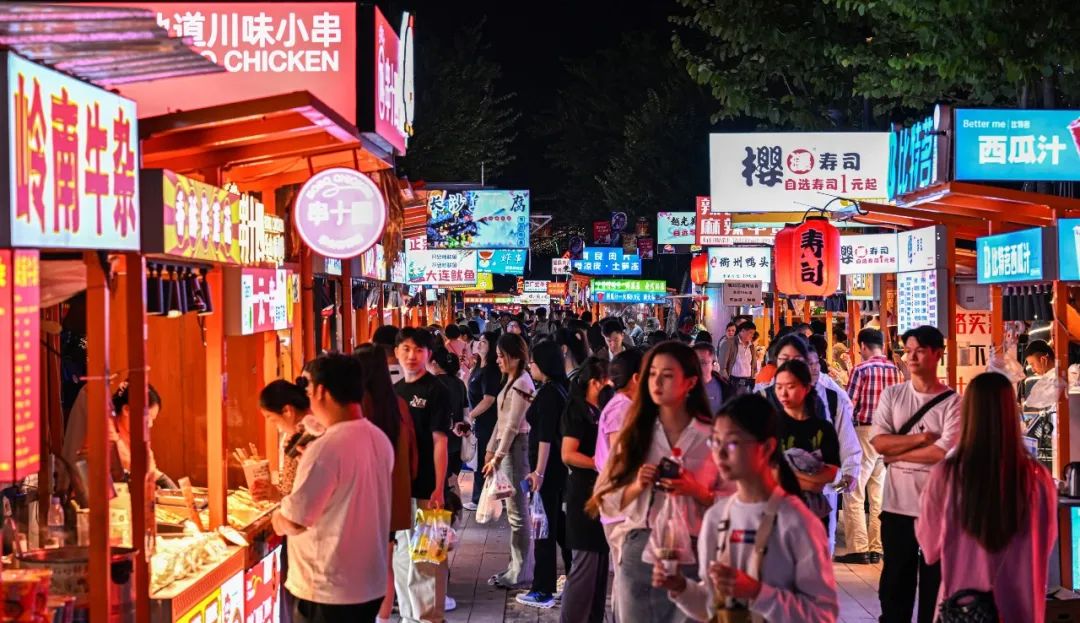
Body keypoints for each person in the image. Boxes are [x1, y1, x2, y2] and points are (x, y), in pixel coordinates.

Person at [655, 394, 839, 622]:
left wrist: (756, 592)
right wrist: (681, 588)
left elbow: (823, 615)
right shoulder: (717, 517)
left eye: (732, 442)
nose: (719, 454)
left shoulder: (797, 521)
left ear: (767, 448)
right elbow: (712, 605)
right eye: (715, 441)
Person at [589, 341, 728, 623]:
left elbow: (738, 505)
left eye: (667, 375)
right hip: (640, 550)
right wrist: (637, 485)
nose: (657, 382)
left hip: (695, 556)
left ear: (690, 382)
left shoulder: (712, 439)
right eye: (652, 374)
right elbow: (604, 500)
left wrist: (697, 490)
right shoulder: (634, 434)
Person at [916, 372, 1057, 623]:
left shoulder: (946, 475)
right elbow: (1045, 544)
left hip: (965, 610)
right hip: (1021, 610)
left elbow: (930, 549)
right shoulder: (1038, 478)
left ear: (968, 414)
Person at [272, 354, 394, 623]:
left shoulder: (326, 448)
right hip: (368, 584)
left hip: (328, 590)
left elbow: (295, 521)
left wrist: (276, 518)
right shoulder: (378, 438)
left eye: (307, 386)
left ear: (320, 390)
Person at [871, 325, 961, 623]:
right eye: (907, 350)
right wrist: (922, 439)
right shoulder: (892, 395)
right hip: (895, 508)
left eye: (919, 350)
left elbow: (943, 452)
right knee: (895, 583)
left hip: (936, 509)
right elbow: (879, 443)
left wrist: (894, 453)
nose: (911, 357)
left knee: (935, 586)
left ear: (937, 354)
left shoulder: (953, 403)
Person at [353, 345, 421, 623]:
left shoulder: (358, 407)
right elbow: (413, 455)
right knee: (387, 562)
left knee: (362, 565)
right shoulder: (398, 404)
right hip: (392, 497)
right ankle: (383, 619)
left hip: (363, 500)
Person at [393, 329, 453, 623]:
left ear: (429, 354)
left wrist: (439, 488)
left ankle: (429, 618)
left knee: (428, 561)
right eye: (405, 349)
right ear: (396, 353)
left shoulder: (437, 390)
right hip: (401, 491)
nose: (411, 356)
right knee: (403, 558)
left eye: (418, 350)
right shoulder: (394, 391)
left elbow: (440, 441)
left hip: (427, 491)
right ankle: (408, 617)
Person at [839, 328, 902, 566]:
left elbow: (848, 404)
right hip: (887, 434)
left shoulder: (860, 369)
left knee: (854, 489)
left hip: (864, 432)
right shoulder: (895, 371)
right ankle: (878, 547)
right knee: (878, 493)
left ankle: (859, 549)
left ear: (863, 346)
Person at [516, 341, 571, 610]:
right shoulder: (556, 389)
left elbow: (546, 437)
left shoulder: (550, 393)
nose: (530, 367)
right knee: (557, 526)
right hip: (555, 471)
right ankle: (573, 577)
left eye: (533, 363)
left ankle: (543, 589)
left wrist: (538, 472)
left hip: (547, 472)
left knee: (543, 530)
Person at [559, 357, 611, 623]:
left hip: (600, 494)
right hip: (583, 494)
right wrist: (599, 462)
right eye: (607, 382)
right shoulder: (576, 411)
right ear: (595, 383)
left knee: (600, 567)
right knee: (584, 567)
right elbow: (567, 454)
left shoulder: (598, 411)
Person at [482, 333, 536, 588]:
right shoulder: (512, 380)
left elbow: (513, 426)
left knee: (518, 514)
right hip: (507, 449)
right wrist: (490, 451)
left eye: (501, 356)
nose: (498, 360)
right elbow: (501, 421)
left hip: (516, 450)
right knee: (514, 512)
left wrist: (497, 456)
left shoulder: (523, 382)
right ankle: (516, 566)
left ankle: (521, 572)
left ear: (514, 357)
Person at [769, 360, 841, 529]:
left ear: (806, 388)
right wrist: (811, 481)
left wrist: (788, 475)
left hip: (814, 513)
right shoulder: (769, 425)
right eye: (779, 387)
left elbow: (831, 473)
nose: (783, 393)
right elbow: (768, 472)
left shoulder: (823, 428)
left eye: (790, 386)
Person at [107, 382, 176, 490]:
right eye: (148, 419)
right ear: (126, 410)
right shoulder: (108, 429)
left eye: (152, 420)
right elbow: (136, 466)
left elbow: (151, 469)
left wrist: (167, 484)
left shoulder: (135, 433)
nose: (150, 425)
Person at [465, 331, 503, 511]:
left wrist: (470, 415)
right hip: (479, 421)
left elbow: (489, 399)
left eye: (484, 342)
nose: (479, 344)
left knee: (484, 459)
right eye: (478, 340)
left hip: (488, 422)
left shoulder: (490, 371)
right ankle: (482, 497)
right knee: (480, 459)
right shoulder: (478, 366)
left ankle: (480, 498)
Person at [430, 347, 469, 506]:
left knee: (439, 480)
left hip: (439, 438)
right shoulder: (459, 383)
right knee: (453, 477)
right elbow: (466, 410)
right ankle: (455, 512)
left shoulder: (433, 384)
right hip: (457, 439)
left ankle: (443, 514)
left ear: (436, 364)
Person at [692, 342, 733, 417]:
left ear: (713, 364)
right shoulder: (683, 387)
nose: (697, 366)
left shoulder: (724, 388)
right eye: (694, 362)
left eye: (703, 362)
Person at [717, 320, 758, 394]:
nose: (752, 335)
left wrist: (753, 376)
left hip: (748, 381)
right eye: (750, 333)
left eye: (753, 333)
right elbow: (722, 366)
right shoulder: (729, 343)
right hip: (734, 381)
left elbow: (754, 365)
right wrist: (728, 380)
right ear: (742, 331)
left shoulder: (751, 346)